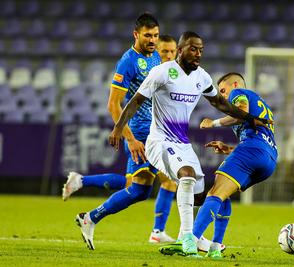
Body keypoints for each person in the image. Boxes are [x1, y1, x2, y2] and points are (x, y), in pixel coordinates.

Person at [108, 32, 272, 257]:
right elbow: (137, 100)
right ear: (181, 49)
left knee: (202, 195)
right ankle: (187, 238)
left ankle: (203, 239)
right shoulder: (162, 72)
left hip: (182, 144)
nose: (198, 54)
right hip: (160, 142)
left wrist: (250, 119)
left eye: (201, 50)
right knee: (186, 175)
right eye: (193, 49)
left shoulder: (201, 77)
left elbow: (220, 103)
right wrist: (119, 127)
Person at [63, 30, 178, 244]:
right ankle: (162, 232)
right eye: (165, 51)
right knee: (164, 182)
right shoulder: (138, 65)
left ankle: (87, 204)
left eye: (173, 52)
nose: (169, 55)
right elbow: (116, 104)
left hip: (158, 132)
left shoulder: (167, 72)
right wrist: (129, 137)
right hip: (143, 132)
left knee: (138, 189)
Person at [159, 72, 277, 258]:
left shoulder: (240, 93)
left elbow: (242, 113)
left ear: (235, 84)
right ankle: (215, 247)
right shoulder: (262, 105)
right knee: (223, 195)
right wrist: (229, 149)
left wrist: (213, 122)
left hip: (252, 150)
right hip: (269, 159)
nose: (221, 96)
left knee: (213, 193)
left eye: (223, 90)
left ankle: (189, 240)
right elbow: (258, 138)